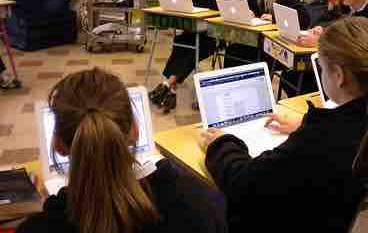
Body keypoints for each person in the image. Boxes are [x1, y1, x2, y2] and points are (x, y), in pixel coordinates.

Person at [200, 16, 368, 233]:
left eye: (321, 67)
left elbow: (244, 184)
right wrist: (304, 124)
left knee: (194, 193)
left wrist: (222, 143)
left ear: (338, 75)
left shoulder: (321, 138)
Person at [17, 68, 227, 233]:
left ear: (58, 144)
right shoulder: (195, 198)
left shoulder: (39, 227)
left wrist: (48, 206)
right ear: (136, 129)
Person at [149, 0, 234, 112]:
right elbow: (184, 0)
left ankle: (168, 84)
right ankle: (170, 88)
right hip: (195, 31)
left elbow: (223, 5)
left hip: (214, 35)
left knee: (194, 49)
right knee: (180, 41)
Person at [223, 0, 308, 68]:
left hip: (275, 45)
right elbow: (241, 5)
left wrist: (275, 19)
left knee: (252, 55)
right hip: (256, 40)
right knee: (231, 51)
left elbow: (304, 19)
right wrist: (246, 12)